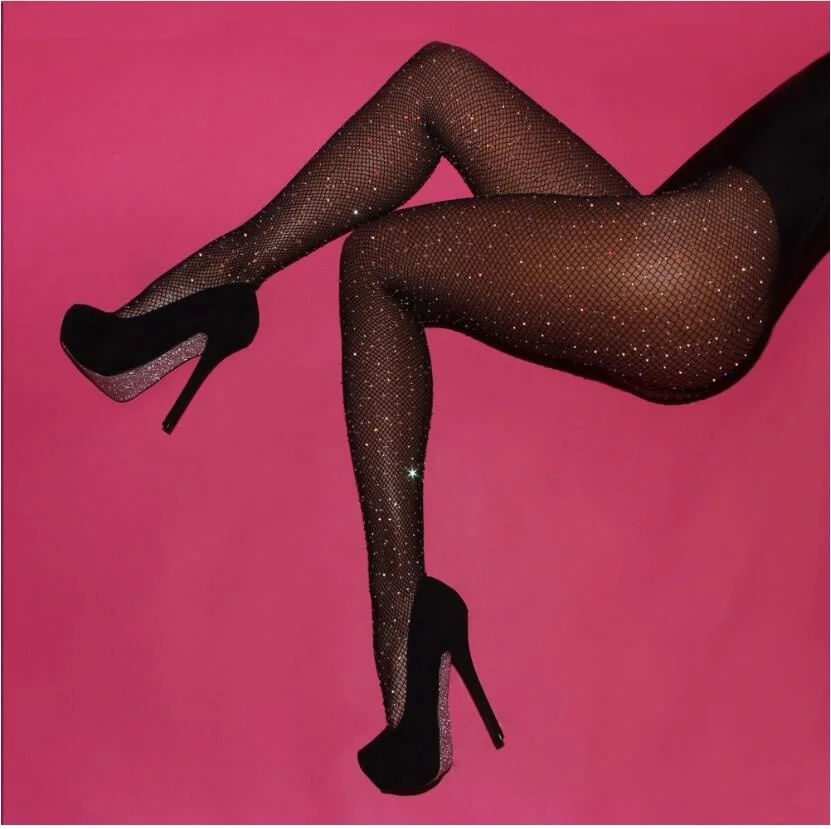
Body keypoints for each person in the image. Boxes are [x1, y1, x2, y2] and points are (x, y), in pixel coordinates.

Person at [59, 42, 829, 795]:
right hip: (669, 240)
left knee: (377, 263)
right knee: (442, 83)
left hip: (690, 266)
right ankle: (208, 287)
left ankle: (403, 615)